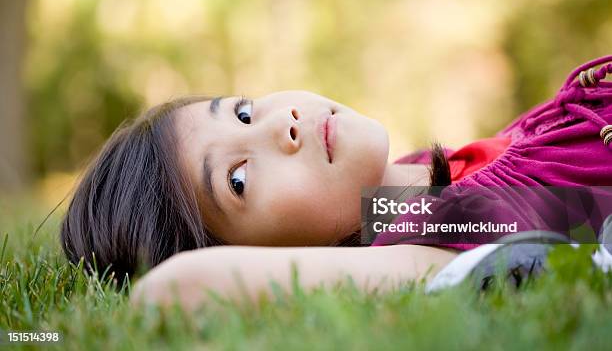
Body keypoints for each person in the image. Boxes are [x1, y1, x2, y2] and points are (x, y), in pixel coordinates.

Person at [60, 55, 612, 309]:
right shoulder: (439, 240)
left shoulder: (426, 182)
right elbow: (176, 290)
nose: (285, 125)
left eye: (245, 113)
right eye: (240, 179)